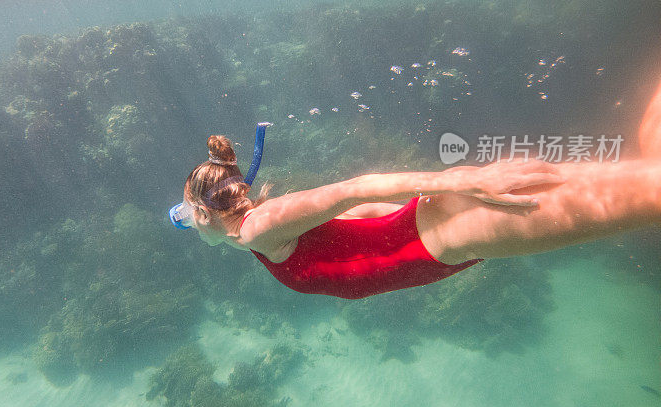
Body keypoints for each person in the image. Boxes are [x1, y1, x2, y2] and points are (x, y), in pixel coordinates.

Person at [177, 80, 661, 299]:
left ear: (202, 214)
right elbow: (363, 211)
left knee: (652, 190)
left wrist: (465, 181)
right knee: (647, 170)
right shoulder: (257, 233)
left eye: (183, 212)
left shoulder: (261, 226)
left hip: (455, 228)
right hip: (445, 225)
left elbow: (356, 188)